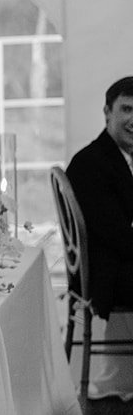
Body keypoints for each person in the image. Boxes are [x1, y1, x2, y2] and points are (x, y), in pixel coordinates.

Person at [65, 76, 133, 318]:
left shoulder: (125, 159)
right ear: (107, 112)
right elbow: (120, 237)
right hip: (108, 277)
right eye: (127, 109)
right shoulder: (89, 164)